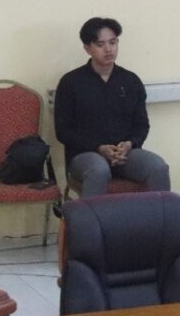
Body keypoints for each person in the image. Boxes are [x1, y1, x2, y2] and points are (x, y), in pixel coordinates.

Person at [54, 17, 171, 197]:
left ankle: (160, 215)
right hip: (86, 154)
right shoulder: (71, 82)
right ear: (87, 48)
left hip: (125, 154)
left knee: (158, 167)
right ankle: (93, 217)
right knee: (98, 170)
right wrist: (99, 148)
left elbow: (141, 125)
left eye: (113, 42)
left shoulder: (130, 81)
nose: (108, 49)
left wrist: (130, 144)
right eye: (100, 44)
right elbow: (63, 131)